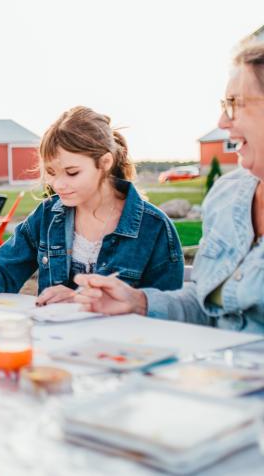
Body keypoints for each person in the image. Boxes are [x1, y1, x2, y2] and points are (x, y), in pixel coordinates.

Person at [75, 43, 264, 333]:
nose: (222, 121)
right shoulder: (227, 195)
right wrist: (138, 302)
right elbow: (206, 305)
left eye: (234, 103)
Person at [0, 106, 184, 300]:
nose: (58, 184)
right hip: (54, 345)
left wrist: (79, 301)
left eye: (72, 172)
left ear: (104, 162)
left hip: (124, 349)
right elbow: (4, 269)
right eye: (52, 173)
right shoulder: (46, 216)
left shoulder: (153, 227)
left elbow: (166, 309)